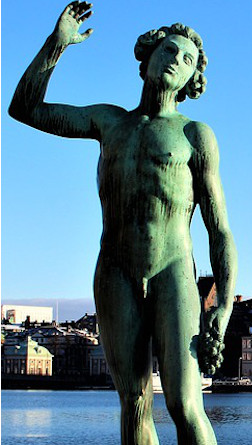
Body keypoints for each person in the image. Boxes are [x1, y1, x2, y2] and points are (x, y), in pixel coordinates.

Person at [9, 3, 237, 444]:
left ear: (193, 80)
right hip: (115, 271)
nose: (176, 60)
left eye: (187, 60)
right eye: (169, 50)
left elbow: (219, 229)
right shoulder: (108, 122)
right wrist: (57, 43)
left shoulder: (195, 136)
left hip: (173, 272)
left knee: (184, 403)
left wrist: (223, 307)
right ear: (148, 56)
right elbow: (24, 108)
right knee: (133, 402)